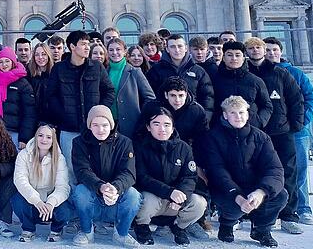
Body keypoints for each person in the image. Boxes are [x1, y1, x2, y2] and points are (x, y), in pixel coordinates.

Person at [201, 96, 287, 247]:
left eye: (241, 112)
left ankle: (261, 229)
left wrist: (261, 192)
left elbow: (274, 169)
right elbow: (217, 170)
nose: (238, 116)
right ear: (225, 115)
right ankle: (227, 223)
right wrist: (237, 196)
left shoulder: (261, 137)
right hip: (228, 189)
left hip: (255, 188)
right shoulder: (213, 137)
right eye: (233, 113)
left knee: (280, 195)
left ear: (247, 114)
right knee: (231, 205)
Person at [245, 37, 304, 234]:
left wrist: (295, 125)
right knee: (255, 172)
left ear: (264, 51)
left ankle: (288, 215)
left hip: (281, 131)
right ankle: (256, 213)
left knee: (288, 172)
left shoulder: (281, 73)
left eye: (258, 48)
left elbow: (296, 99)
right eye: (251, 48)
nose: (255, 51)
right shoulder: (245, 74)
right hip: (255, 133)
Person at [45, 30, 115, 183]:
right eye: (83, 44)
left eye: (87, 44)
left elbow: (109, 91)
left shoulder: (96, 67)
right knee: (69, 168)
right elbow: (50, 96)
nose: (87, 47)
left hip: (94, 129)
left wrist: (99, 113)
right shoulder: (59, 69)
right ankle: (72, 201)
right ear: (72, 46)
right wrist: (63, 115)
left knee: (95, 167)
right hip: (68, 129)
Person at [264, 37, 313, 225]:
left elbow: (310, 99)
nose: (271, 53)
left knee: (299, 170)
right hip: (273, 131)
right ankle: (276, 210)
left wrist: (300, 123)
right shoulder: (261, 74)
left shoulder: (295, 73)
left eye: (274, 50)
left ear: (281, 51)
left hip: (296, 132)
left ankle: (303, 208)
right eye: (268, 50)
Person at [133, 108, 206, 246]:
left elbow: (190, 176)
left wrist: (181, 196)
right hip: (154, 199)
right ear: (148, 127)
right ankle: (142, 226)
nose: (162, 129)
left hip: (175, 203)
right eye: (156, 124)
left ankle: (178, 227)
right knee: (145, 200)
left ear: (173, 128)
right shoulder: (140, 147)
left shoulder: (184, 148)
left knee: (199, 203)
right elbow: (141, 177)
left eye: (167, 125)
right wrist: (169, 192)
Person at [71, 105, 141, 248]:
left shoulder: (124, 143)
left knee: (134, 195)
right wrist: (101, 186)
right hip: (93, 197)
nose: (100, 129)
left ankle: (121, 234)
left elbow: (129, 173)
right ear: (89, 126)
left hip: (116, 199)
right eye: (95, 125)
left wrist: (115, 188)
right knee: (80, 191)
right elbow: (82, 171)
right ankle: (86, 231)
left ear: (111, 124)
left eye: (104, 125)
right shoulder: (79, 142)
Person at [12, 124, 72, 243]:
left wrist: (51, 203)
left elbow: (63, 187)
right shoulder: (24, 155)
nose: (44, 140)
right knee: (17, 199)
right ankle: (28, 229)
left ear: (53, 140)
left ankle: (56, 230)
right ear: (35, 136)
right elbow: (20, 180)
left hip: (50, 204)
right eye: (40, 135)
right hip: (32, 202)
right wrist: (37, 201)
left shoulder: (59, 159)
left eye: (48, 137)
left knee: (65, 209)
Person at [146, 34, 214, 119]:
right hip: (165, 122)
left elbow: (208, 97)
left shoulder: (198, 71)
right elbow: (151, 97)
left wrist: (204, 119)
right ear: (167, 49)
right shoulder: (156, 70)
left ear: (186, 48)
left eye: (180, 46)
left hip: (192, 121)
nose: (177, 50)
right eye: (173, 47)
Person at [211, 41, 272, 129]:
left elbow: (267, 105)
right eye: (229, 55)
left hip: (251, 129)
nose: (234, 58)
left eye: (237, 55)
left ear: (243, 58)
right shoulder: (214, 79)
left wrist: (260, 122)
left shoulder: (255, 81)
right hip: (220, 130)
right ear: (223, 57)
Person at [106, 38, 155, 137]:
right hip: (109, 124)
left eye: (118, 49)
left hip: (131, 125)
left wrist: (140, 116)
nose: (115, 53)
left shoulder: (135, 72)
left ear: (124, 51)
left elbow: (150, 98)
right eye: (111, 50)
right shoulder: (104, 72)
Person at [0, 47, 36, 148]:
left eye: (7, 61)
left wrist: (24, 138)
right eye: (1, 62)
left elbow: (29, 113)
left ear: (13, 62)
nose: (4, 65)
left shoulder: (23, 84)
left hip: (15, 133)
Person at [27, 43, 53, 119]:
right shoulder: (28, 74)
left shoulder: (55, 73)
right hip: (32, 115)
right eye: (37, 55)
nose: (40, 57)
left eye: (43, 54)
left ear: (48, 55)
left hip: (50, 117)